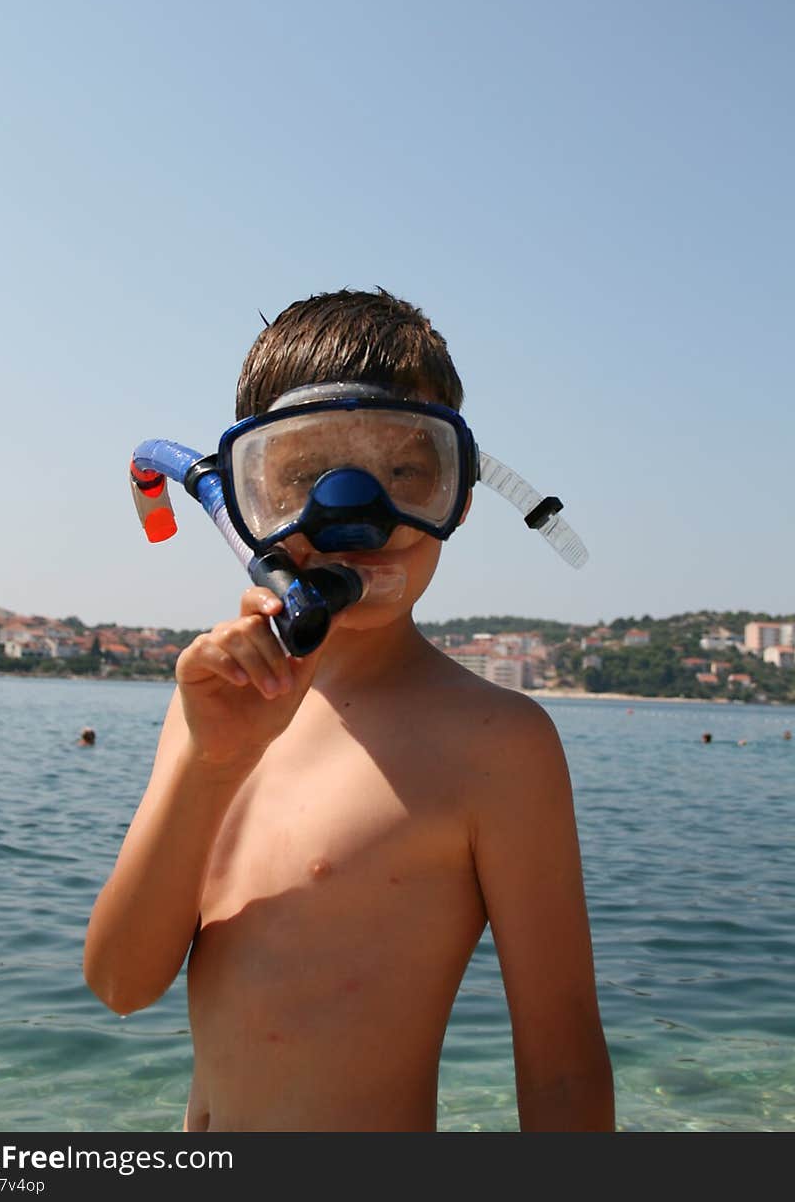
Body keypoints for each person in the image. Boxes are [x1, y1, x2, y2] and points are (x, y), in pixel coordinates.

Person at [84, 288, 614, 1133]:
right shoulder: (209, 707)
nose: (356, 514)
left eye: (406, 470)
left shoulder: (495, 746)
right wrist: (206, 763)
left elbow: (562, 1065)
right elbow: (120, 985)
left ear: (460, 495)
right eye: (304, 474)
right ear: (251, 497)